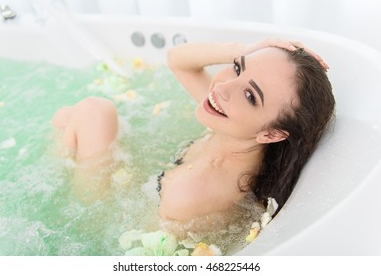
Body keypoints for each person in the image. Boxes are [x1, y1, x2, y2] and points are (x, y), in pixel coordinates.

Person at [52, 38, 335, 223]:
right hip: (142, 190)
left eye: (250, 96)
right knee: (79, 115)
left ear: (272, 134)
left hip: (98, 210)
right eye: (237, 69)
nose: (222, 87)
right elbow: (178, 60)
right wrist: (247, 50)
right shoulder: (238, 131)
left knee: (89, 113)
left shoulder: (193, 191)